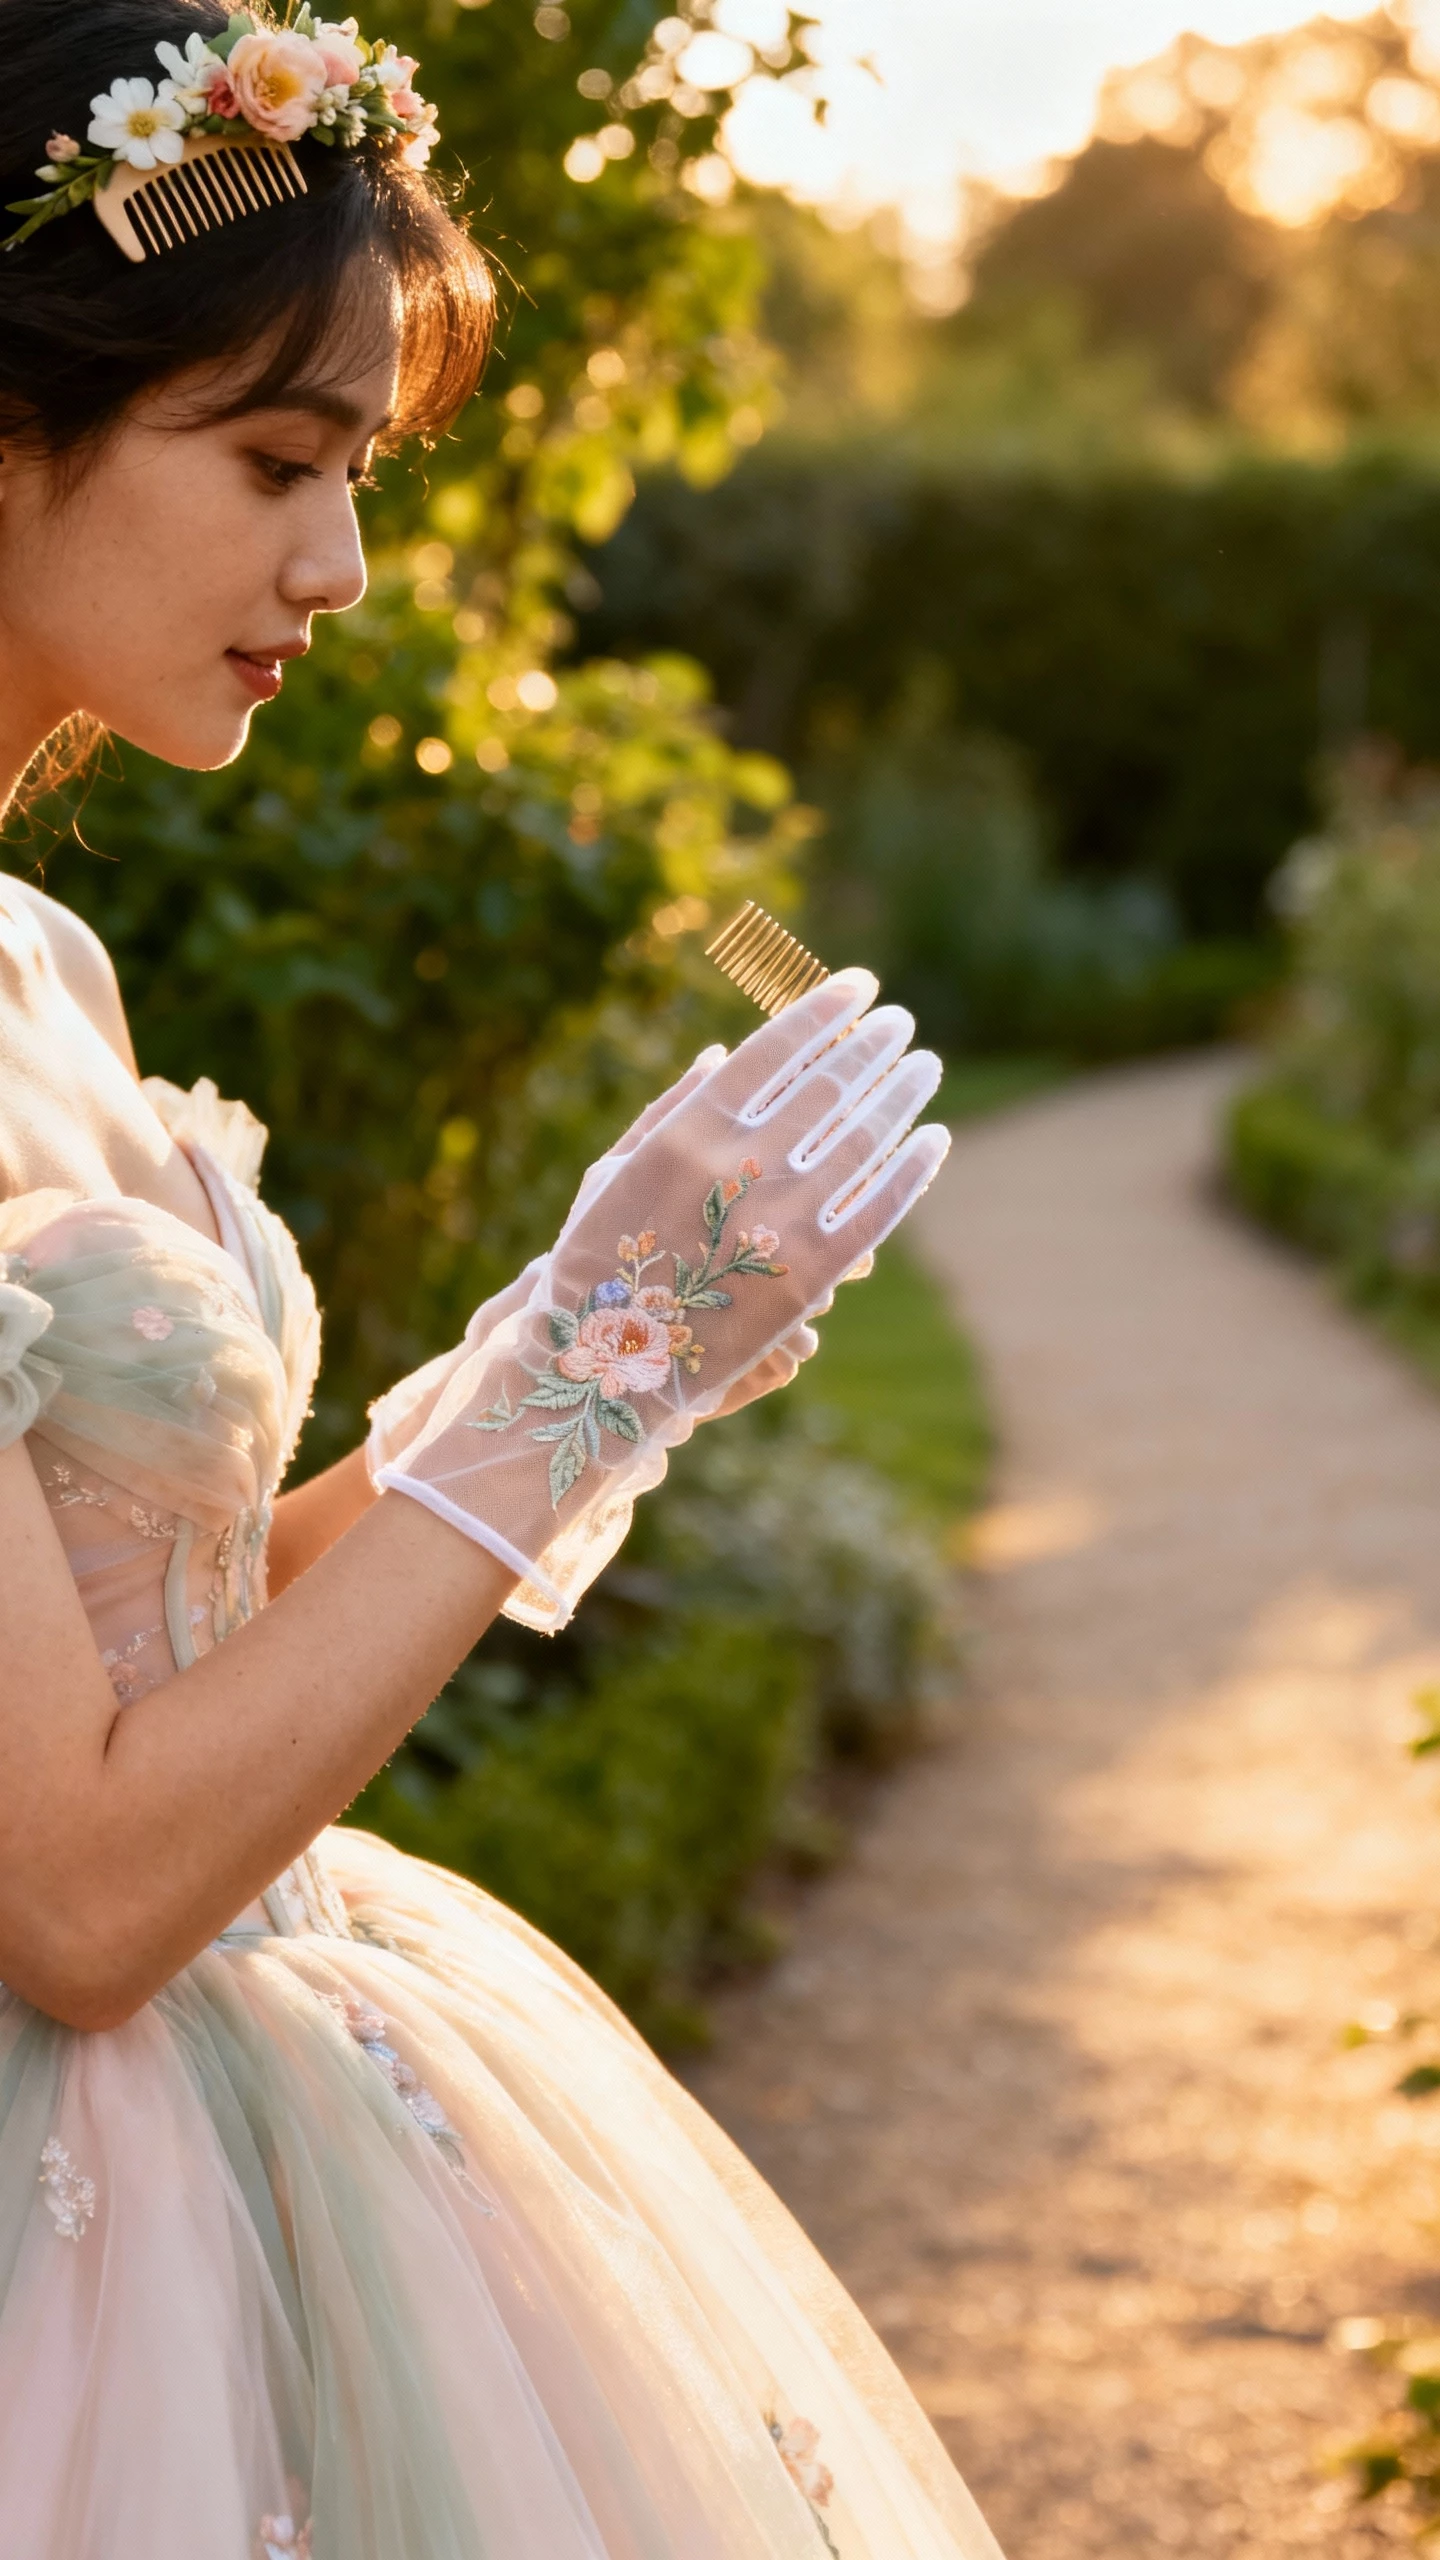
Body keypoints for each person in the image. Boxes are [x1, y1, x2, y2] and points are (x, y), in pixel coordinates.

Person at [0, 5, 1003, 2553]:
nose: (336, 569)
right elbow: (81, 1890)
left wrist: (605, 1344)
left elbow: (172, 1634)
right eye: (272, 464)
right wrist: (576, 1366)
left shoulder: (51, 971)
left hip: (269, 2079)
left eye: (352, 475)